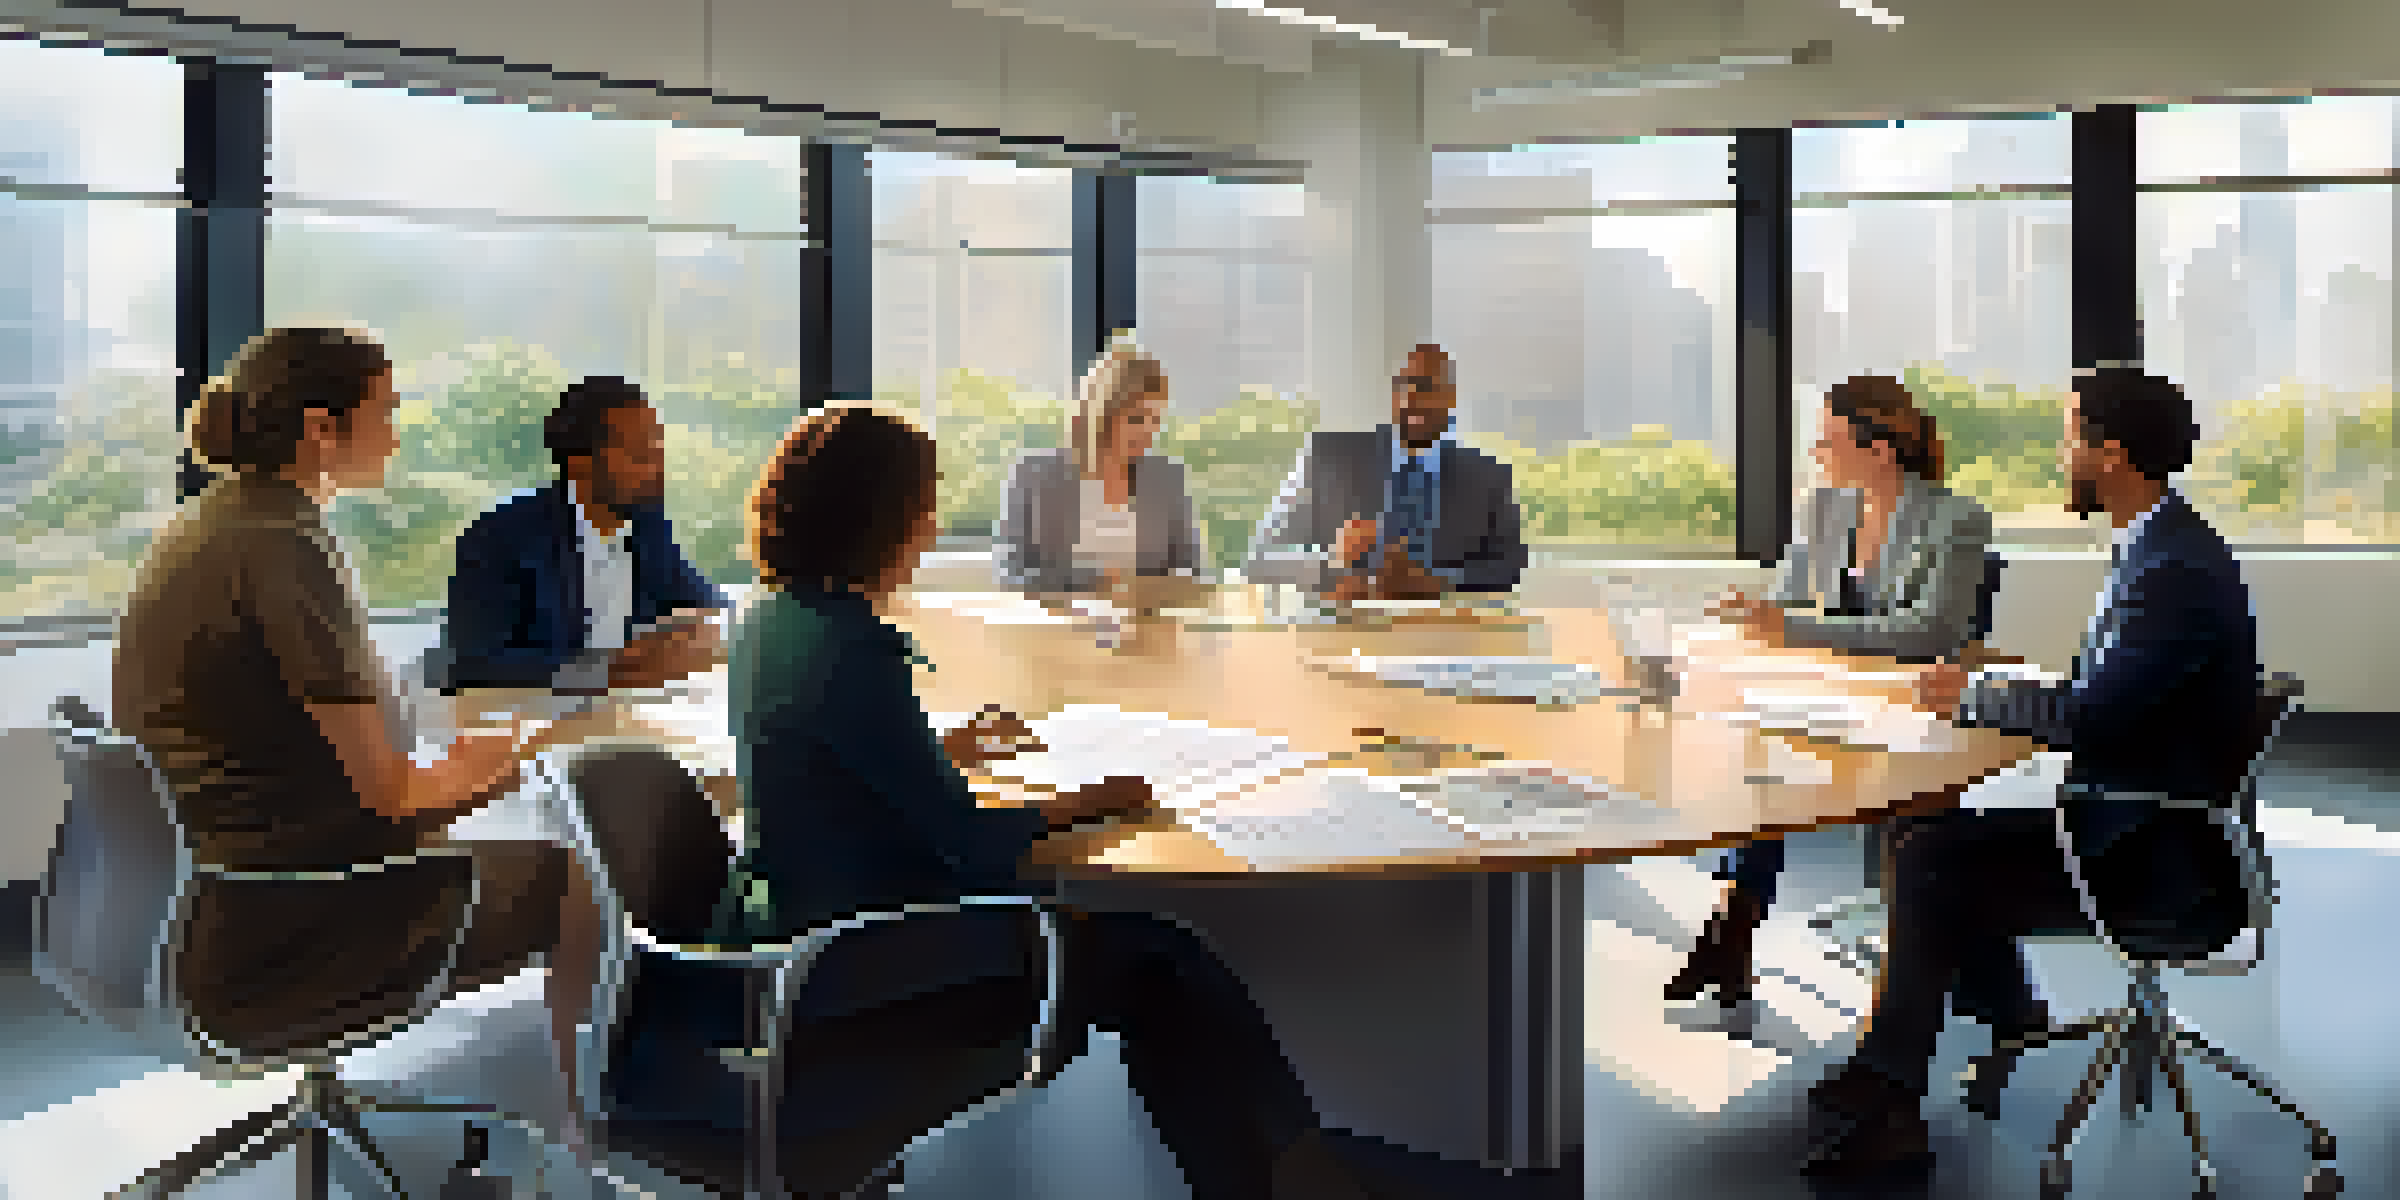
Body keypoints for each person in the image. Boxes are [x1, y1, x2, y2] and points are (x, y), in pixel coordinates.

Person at [666, 403, 1378, 1199]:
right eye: (920, 505)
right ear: (875, 517)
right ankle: (1289, 1178)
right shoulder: (854, 646)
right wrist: (1092, 800)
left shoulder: (773, 621)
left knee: (1154, 960)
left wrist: (939, 748)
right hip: (867, 956)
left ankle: (1272, 1175)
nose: (929, 528)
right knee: (1166, 959)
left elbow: (833, 757)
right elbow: (965, 842)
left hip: (792, 925)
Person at [112, 326, 600, 1142]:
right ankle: (594, 1132)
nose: (399, 433)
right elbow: (392, 791)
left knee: (489, 808)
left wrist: (460, 769)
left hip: (194, 899)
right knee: (578, 879)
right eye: (386, 410)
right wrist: (511, 755)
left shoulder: (219, 522)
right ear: (318, 427)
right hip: (275, 924)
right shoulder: (285, 545)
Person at [1802, 367, 2258, 1177]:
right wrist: (1996, 686)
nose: (2061, 456)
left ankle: (1892, 1097)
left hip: (2151, 858)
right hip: (2146, 819)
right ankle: (1999, 1016)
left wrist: (1979, 696)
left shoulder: (2171, 570)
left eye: (2070, 437)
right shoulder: (2160, 544)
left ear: (2110, 453)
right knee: (1923, 829)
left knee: (1934, 859)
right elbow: (2109, 693)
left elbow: (2094, 715)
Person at [1667, 375, 1997, 1013]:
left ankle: (1733, 934)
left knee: (1892, 811)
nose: (1816, 456)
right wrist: (1758, 610)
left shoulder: (1956, 518)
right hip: (1836, 692)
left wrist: (1790, 625)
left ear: (1878, 448)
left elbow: (1930, 632)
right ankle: (1734, 923)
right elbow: (1796, 598)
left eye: (1827, 443)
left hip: (1912, 706)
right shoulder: (1825, 510)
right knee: (1762, 765)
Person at [436, 376, 727, 696]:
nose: (658, 469)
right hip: (525, 723)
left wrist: (693, 636)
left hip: (628, 717)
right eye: (641, 456)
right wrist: (610, 670)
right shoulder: (501, 537)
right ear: (579, 464)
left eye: (658, 451)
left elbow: (705, 606)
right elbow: (477, 663)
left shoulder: (647, 524)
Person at [1245, 343, 1526, 603]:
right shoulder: (1327, 458)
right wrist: (1331, 560)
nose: (1411, 399)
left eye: (1425, 387)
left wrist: (1435, 584)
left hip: (1444, 639)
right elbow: (1259, 558)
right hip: (1345, 637)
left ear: (1450, 398)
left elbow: (1509, 569)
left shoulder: (1488, 478)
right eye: (1402, 386)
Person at [994, 338, 1204, 595]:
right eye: (1137, 418)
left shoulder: (1167, 478)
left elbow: (1195, 573)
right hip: (1057, 629)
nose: (1149, 430)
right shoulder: (1034, 477)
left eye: (1156, 419)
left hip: (1147, 628)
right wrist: (1096, 582)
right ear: (1103, 412)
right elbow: (1011, 577)